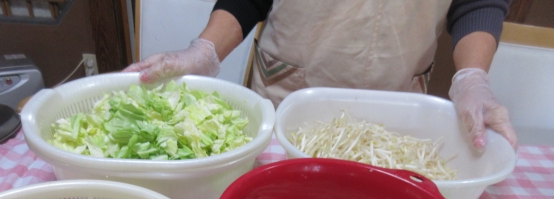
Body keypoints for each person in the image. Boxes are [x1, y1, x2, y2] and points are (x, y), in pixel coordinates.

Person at [124, 0, 518, 150]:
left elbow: (478, 2)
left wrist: (472, 76)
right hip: (286, 98)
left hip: (394, 112)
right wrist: (206, 49)